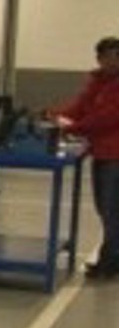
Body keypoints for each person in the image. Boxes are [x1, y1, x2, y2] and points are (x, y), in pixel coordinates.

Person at [50, 37, 119, 279]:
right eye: (109, 56)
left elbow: (107, 118)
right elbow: (79, 107)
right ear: (99, 58)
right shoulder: (98, 81)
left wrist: (71, 128)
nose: (115, 61)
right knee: (105, 208)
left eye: (117, 56)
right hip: (101, 152)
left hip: (115, 155)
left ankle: (110, 262)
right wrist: (52, 115)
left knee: (112, 210)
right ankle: (111, 257)